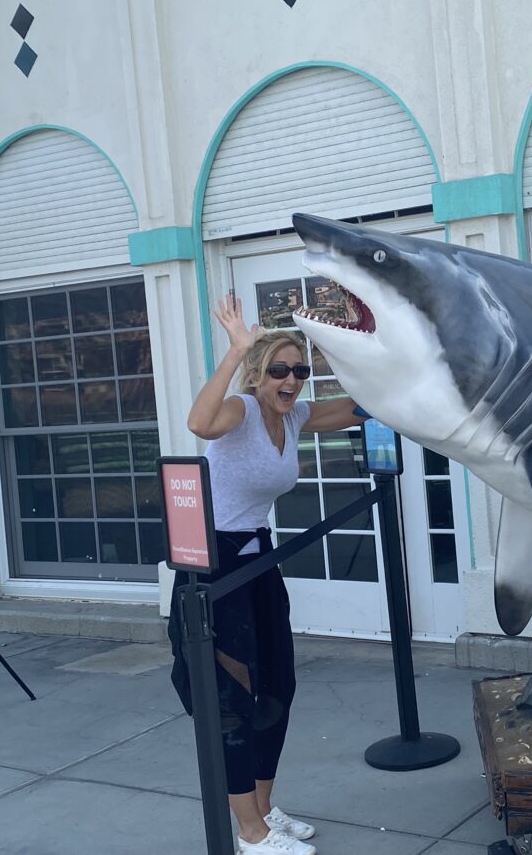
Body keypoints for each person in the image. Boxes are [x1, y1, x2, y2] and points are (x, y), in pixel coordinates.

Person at [175, 294, 367, 855]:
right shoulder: (237, 410)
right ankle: (249, 834)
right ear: (259, 374)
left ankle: (262, 807)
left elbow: (360, 408)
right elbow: (199, 422)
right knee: (233, 698)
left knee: (277, 684)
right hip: (214, 567)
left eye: (300, 370)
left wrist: (357, 351)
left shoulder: (296, 414)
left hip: (258, 559)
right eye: (280, 370)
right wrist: (235, 351)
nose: (292, 380)